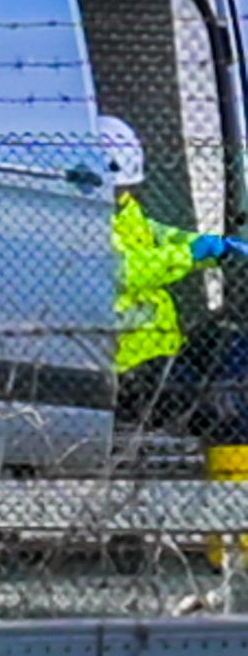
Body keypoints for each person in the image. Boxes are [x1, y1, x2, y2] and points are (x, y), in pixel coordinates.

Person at [105, 115, 234, 429]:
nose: (125, 194)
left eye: (128, 187)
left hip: (163, 350)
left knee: (227, 347)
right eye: (120, 187)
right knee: (211, 400)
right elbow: (124, 270)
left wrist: (214, 248)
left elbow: (164, 237)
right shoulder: (90, 222)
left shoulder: (126, 212)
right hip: (127, 366)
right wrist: (189, 255)